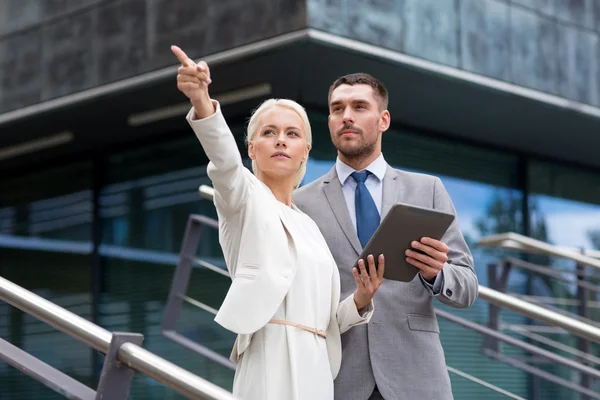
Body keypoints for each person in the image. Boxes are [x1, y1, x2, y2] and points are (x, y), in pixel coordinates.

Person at [172, 47, 386, 400]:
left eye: (292, 133)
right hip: (268, 358)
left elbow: (327, 321)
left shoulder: (310, 227)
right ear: (253, 148)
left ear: (305, 150)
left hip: (317, 369)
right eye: (269, 133)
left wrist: (362, 299)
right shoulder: (243, 199)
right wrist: (202, 101)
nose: (281, 140)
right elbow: (224, 161)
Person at [293, 73, 479, 400]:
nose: (346, 116)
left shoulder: (427, 190)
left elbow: (467, 288)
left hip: (417, 379)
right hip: (338, 380)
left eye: (359, 106)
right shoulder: (301, 203)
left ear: (384, 120)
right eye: (337, 109)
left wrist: (437, 274)